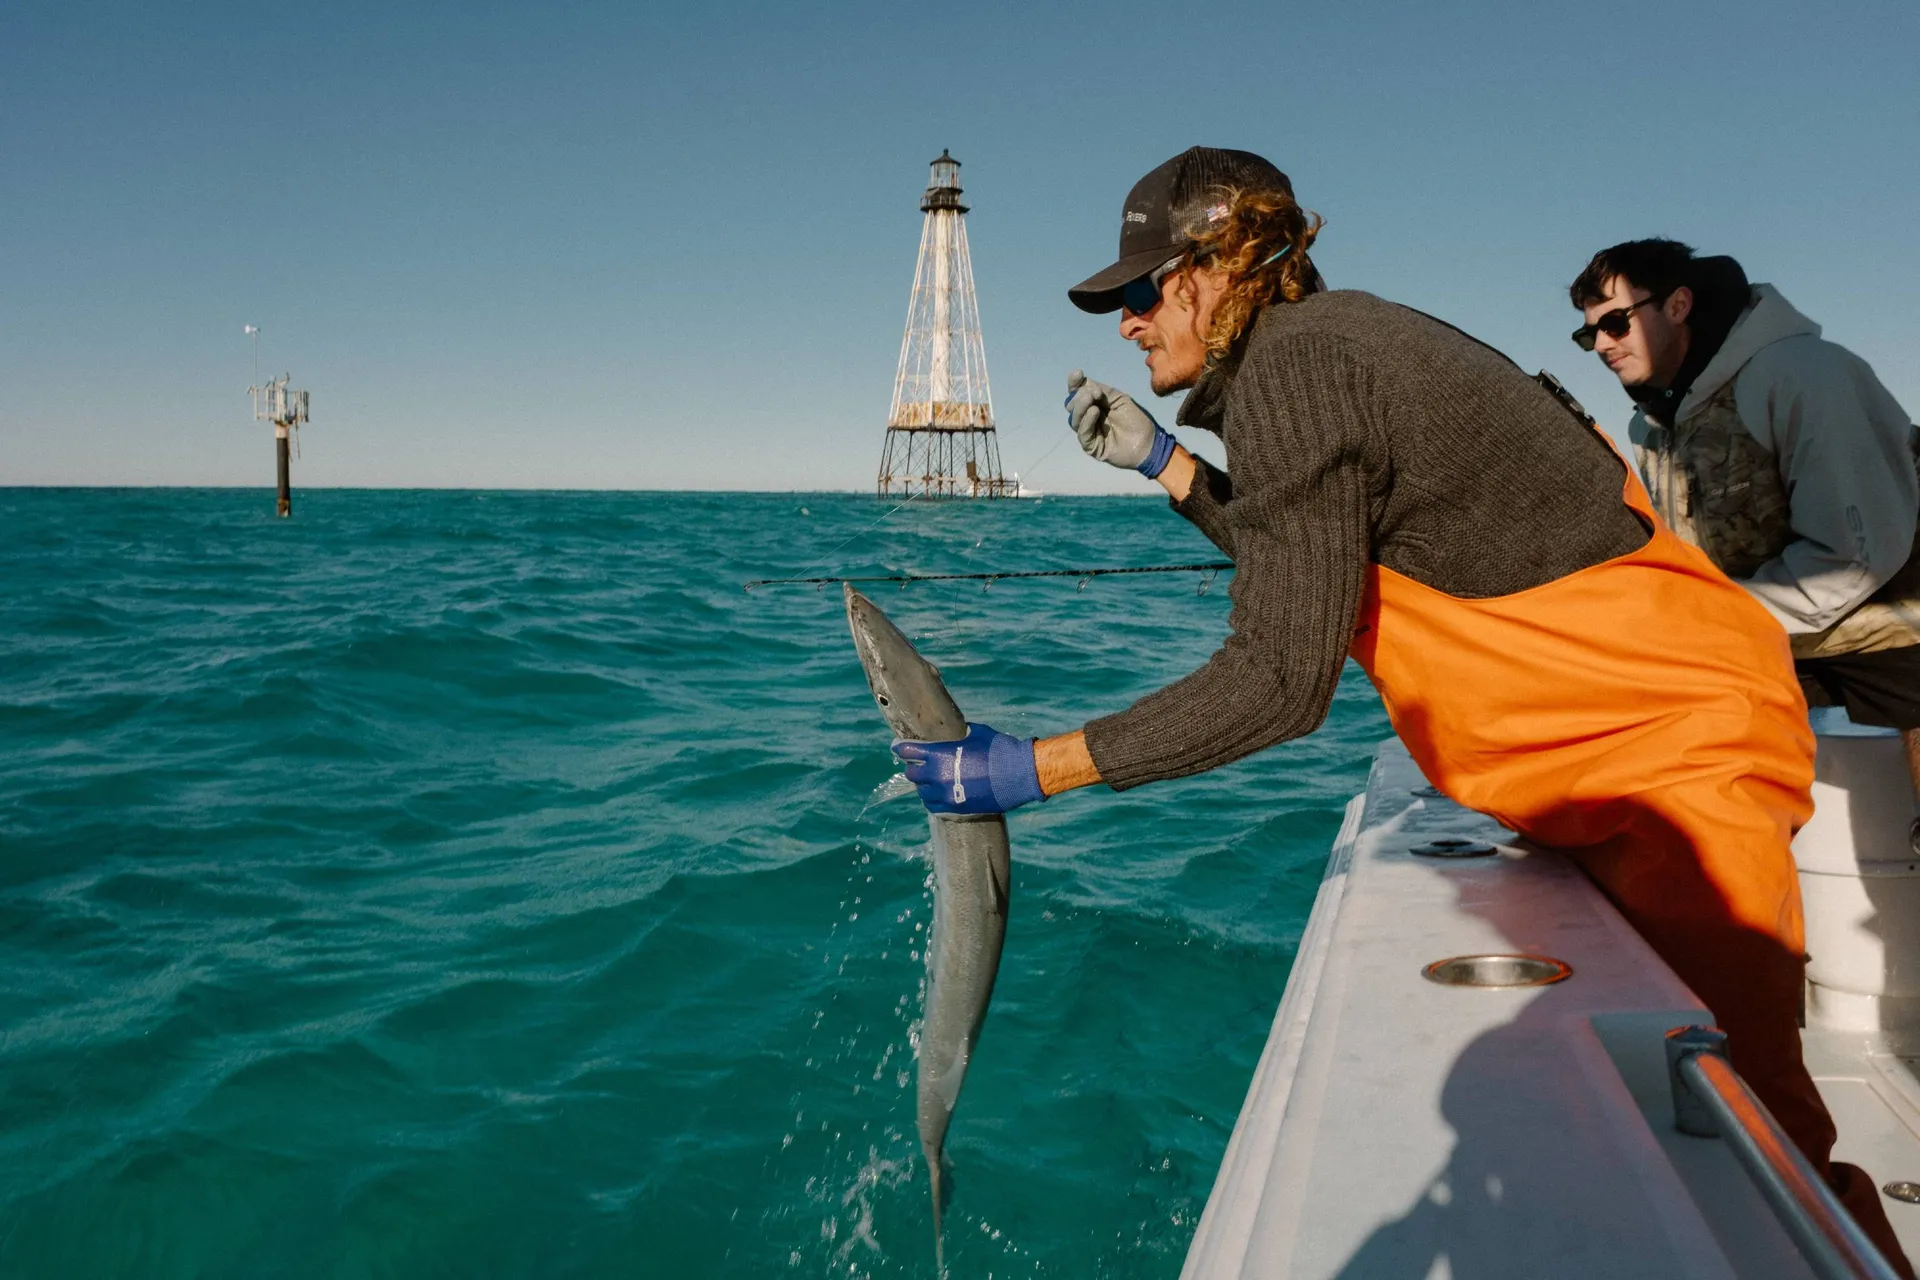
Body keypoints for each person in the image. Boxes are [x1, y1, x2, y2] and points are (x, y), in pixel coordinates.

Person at [889, 147, 1913, 1271]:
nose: (1126, 323)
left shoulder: (1297, 367)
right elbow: (1323, 572)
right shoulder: (1323, 353)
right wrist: (1174, 469)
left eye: (1140, 291)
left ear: (1222, 263)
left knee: (1763, 1158)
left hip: (1675, 762)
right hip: (1601, 764)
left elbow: (1283, 679)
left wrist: (1032, 769)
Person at [1569, 239, 1920, 840]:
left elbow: (1855, 556)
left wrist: (1710, 622)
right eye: (1589, 334)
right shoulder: (1650, 424)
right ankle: (1723, 906)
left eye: (1616, 322)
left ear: (1678, 305)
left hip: (1899, 622)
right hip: (1784, 635)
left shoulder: (1804, 375)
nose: (1602, 344)